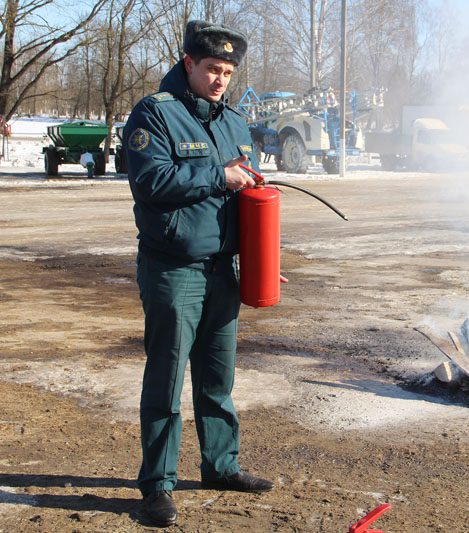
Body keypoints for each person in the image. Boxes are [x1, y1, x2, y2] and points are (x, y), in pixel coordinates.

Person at [124, 20, 272, 527]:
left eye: (228, 72)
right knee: (165, 380)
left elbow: (246, 198)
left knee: (217, 378)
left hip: (223, 271)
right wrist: (218, 174)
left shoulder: (233, 121)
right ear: (189, 63)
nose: (220, 80)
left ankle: (221, 465)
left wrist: (261, 258)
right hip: (173, 270)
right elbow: (150, 180)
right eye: (212, 69)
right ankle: (157, 486)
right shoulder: (154, 114)